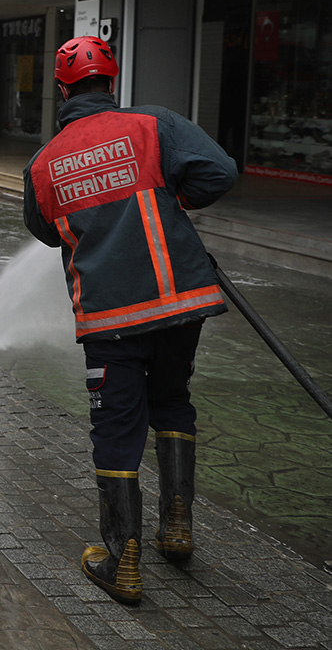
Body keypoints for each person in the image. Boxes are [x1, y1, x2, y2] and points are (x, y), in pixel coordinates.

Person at [22, 35, 236, 605]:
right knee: (172, 400)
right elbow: (220, 172)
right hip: (181, 301)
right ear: (111, 80)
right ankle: (177, 527)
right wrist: (173, 199)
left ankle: (121, 559)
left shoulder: (45, 162)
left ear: (62, 88)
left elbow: (45, 230)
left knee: (116, 428)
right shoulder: (153, 124)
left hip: (111, 317)